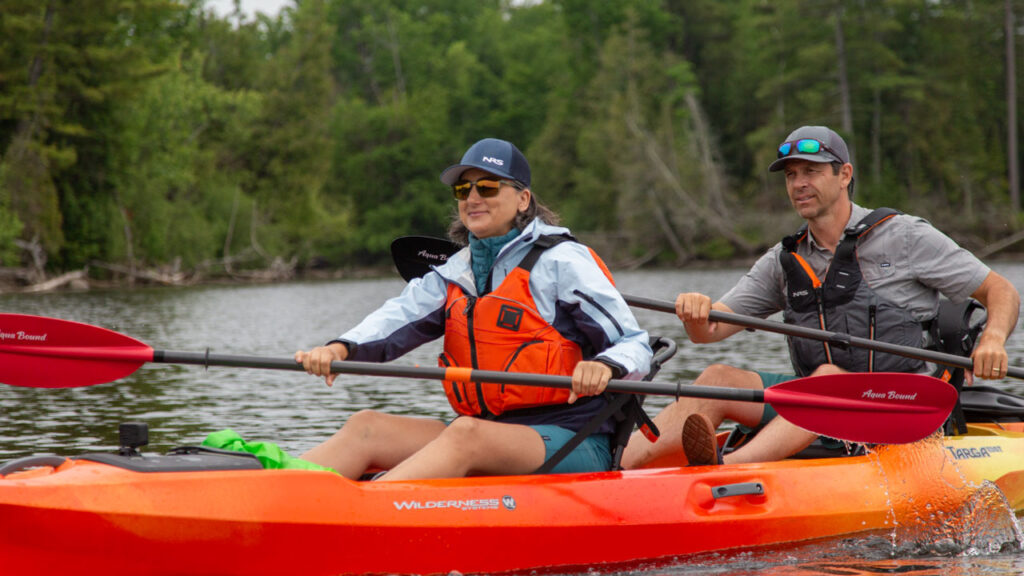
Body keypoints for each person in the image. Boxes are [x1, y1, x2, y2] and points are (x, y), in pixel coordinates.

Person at [620, 125, 1020, 468]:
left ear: (844, 174)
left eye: (811, 171)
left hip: (900, 405)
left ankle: (722, 468)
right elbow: (709, 330)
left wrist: (993, 340)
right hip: (819, 404)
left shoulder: (905, 236)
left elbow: (999, 290)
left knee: (826, 379)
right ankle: (612, 466)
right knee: (717, 378)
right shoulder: (783, 260)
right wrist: (695, 312)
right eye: (791, 175)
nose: (798, 184)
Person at [295, 138, 652, 480]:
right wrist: (340, 347)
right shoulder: (456, 271)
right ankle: (276, 490)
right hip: (486, 433)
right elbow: (396, 317)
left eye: (488, 187)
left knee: (466, 435)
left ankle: (361, 513)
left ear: (523, 198)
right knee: (367, 427)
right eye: (463, 190)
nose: (473, 198)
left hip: (574, 438)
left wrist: (604, 366)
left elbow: (636, 344)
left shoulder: (563, 262)